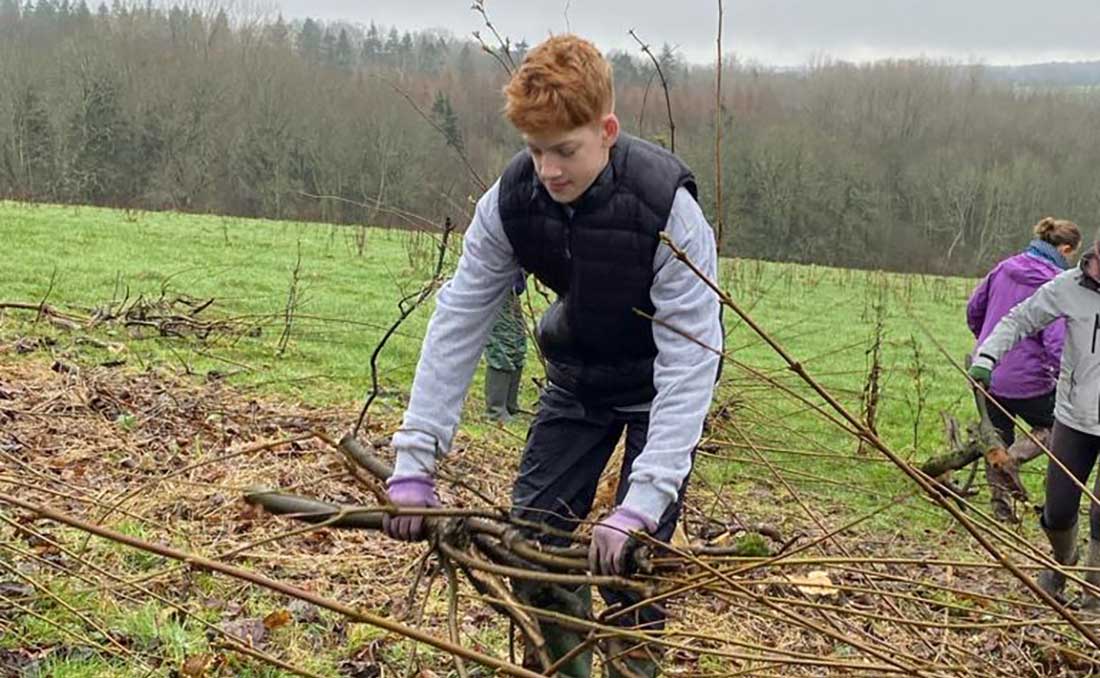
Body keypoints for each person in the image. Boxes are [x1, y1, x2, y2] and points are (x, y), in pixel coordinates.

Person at [380, 34, 722, 678]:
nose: (550, 170)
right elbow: (461, 318)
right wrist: (414, 457)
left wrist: (642, 504)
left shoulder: (666, 209)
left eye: (565, 150)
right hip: (579, 377)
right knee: (532, 545)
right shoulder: (511, 201)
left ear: (607, 129)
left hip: (661, 383)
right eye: (536, 151)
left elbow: (692, 357)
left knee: (630, 572)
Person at [969, 233, 1100, 607]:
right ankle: (1062, 563)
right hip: (1075, 419)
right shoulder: (1069, 286)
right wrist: (987, 357)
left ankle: (1093, 595)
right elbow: (1020, 319)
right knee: (1058, 512)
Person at [966, 217, 1082, 522]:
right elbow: (1056, 343)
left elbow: (973, 309)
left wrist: (985, 345)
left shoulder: (1004, 267)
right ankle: (1014, 459)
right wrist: (1066, 375)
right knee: (1056, 426)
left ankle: (1001, 508)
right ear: (1066, 249)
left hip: (988, 371)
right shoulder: (1055, 283)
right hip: (1030, 381)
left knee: (996, 433)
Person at [484, 271, 528, 423]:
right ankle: (495, 412)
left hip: (511, 291)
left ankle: (510, 406)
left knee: (518, 343)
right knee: (504, 343)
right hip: (497, 287)